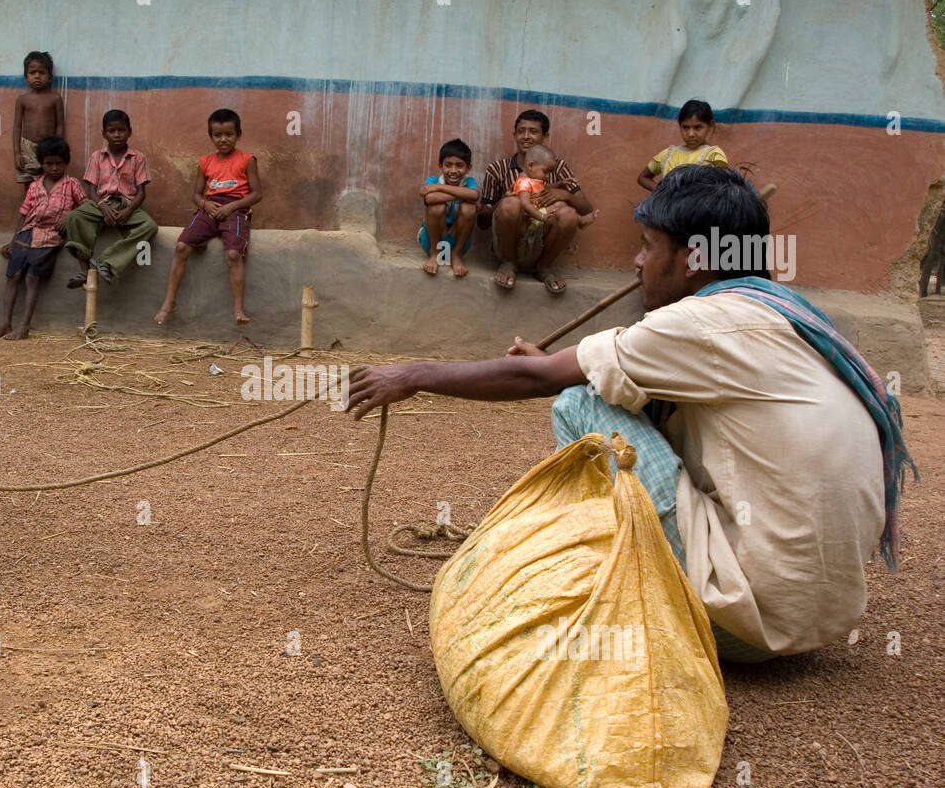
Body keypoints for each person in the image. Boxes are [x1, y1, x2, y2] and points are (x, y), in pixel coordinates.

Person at [346, 166, 912, 663]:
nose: (638, 261)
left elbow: (534, 379)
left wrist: (413, 375)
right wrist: (575, 364)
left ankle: (611, 577)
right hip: (818, 623)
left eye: (646, 245)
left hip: (747, 625)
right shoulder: (788, 317)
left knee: (580, 403)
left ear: (692, 258)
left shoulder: (698, 324)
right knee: (617, 396)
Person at [155, 108, 262, 326]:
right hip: (209, 207)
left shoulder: (247, 159)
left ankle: (239, 308)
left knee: (233, 254)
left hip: (236, 209)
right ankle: (169, 302)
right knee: (182, 247)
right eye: (218, 135)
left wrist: (232, 206)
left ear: (238, 134)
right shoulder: (205, 162)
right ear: (211, 137)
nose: (223, 139)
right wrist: (205, 204)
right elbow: (196, 194)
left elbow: (257, 194)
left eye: (229, 134)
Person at [478, 109, 594, 294]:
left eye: (533, 131)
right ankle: (509, 264)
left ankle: (544, 267)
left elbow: (587, 209)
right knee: (511, 204)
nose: (526, 137)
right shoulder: (498, 169)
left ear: (545, 136)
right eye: (521, 131)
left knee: (568, 213)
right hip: (509, 243)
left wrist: (564, 195)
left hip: (542, 241)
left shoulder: (556, 167)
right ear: (514, 134)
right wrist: (503, 202)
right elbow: (482, 222)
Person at [0, 135, 84, 340]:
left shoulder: (72, 184)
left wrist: (70, 216)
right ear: (41, 164)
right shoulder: (35, 185)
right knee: (14, 276)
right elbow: (25, 213)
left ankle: (24, 326)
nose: (54, 168)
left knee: (32, 278)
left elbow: (86, 207)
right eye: (48, 164)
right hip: (27, 232)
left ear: (66, 163)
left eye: (58, 164)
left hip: (51, 234)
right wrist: (13, 239)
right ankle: (5, 323)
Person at [63, 109, 157, 288]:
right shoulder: (97, 156)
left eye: (121, 130)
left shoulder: (138, 158)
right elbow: (91, 189)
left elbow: (141, 193)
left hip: (127, 204)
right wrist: (103, 207)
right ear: (104, 133)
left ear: (130, 131)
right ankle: (84, 268)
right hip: (100, 203)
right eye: (111, 131)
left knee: (150, 227)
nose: (116, 135)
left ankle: (107, 261)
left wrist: (128, 211)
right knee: (73, 217)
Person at [419, 138, 479, 278]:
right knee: (436, 207)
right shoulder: (433, 180)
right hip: (431, 240)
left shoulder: (468, 182)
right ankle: (435, 254)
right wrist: (463, 194)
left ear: (468, 168)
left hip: (459, 242)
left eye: (460, 165)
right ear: (440, 165)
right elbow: (430, 198)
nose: (453, 170)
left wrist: (439, 188)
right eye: (448, 165)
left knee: (469, 208)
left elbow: (474, 195)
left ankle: (456, 255)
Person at [638, 99, 729, 191]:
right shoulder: (668, 155)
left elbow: (724, 189)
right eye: (685, 127)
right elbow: (643, 177)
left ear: (710, 126)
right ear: (679, 126)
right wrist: (662, 193)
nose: (691, 134)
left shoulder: (714, 155)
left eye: (697, 127)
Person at [12, 51, 65, 191]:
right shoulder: (22, 99)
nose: (37, 76)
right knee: (29, 185)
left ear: (50, 77)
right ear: (26, 76)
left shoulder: (55, 98)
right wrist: (17, 153)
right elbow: (17, 126)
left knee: (50, 181)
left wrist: (57, 147)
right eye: (32, 72)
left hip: (49, 146)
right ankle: (28, 212)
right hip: (27, 147)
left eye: (42, 72)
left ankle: (48, 211)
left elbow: (60, 125)